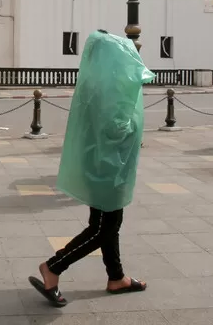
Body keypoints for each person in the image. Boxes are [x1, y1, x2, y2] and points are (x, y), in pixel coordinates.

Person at [28, 30, 154, 308]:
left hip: (98, 163)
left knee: (106, 223)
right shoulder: (112, 87)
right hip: (110, 166)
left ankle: (116, 277)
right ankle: (54, 266)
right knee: (104, 227)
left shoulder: (93, 82)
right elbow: (116, 127)